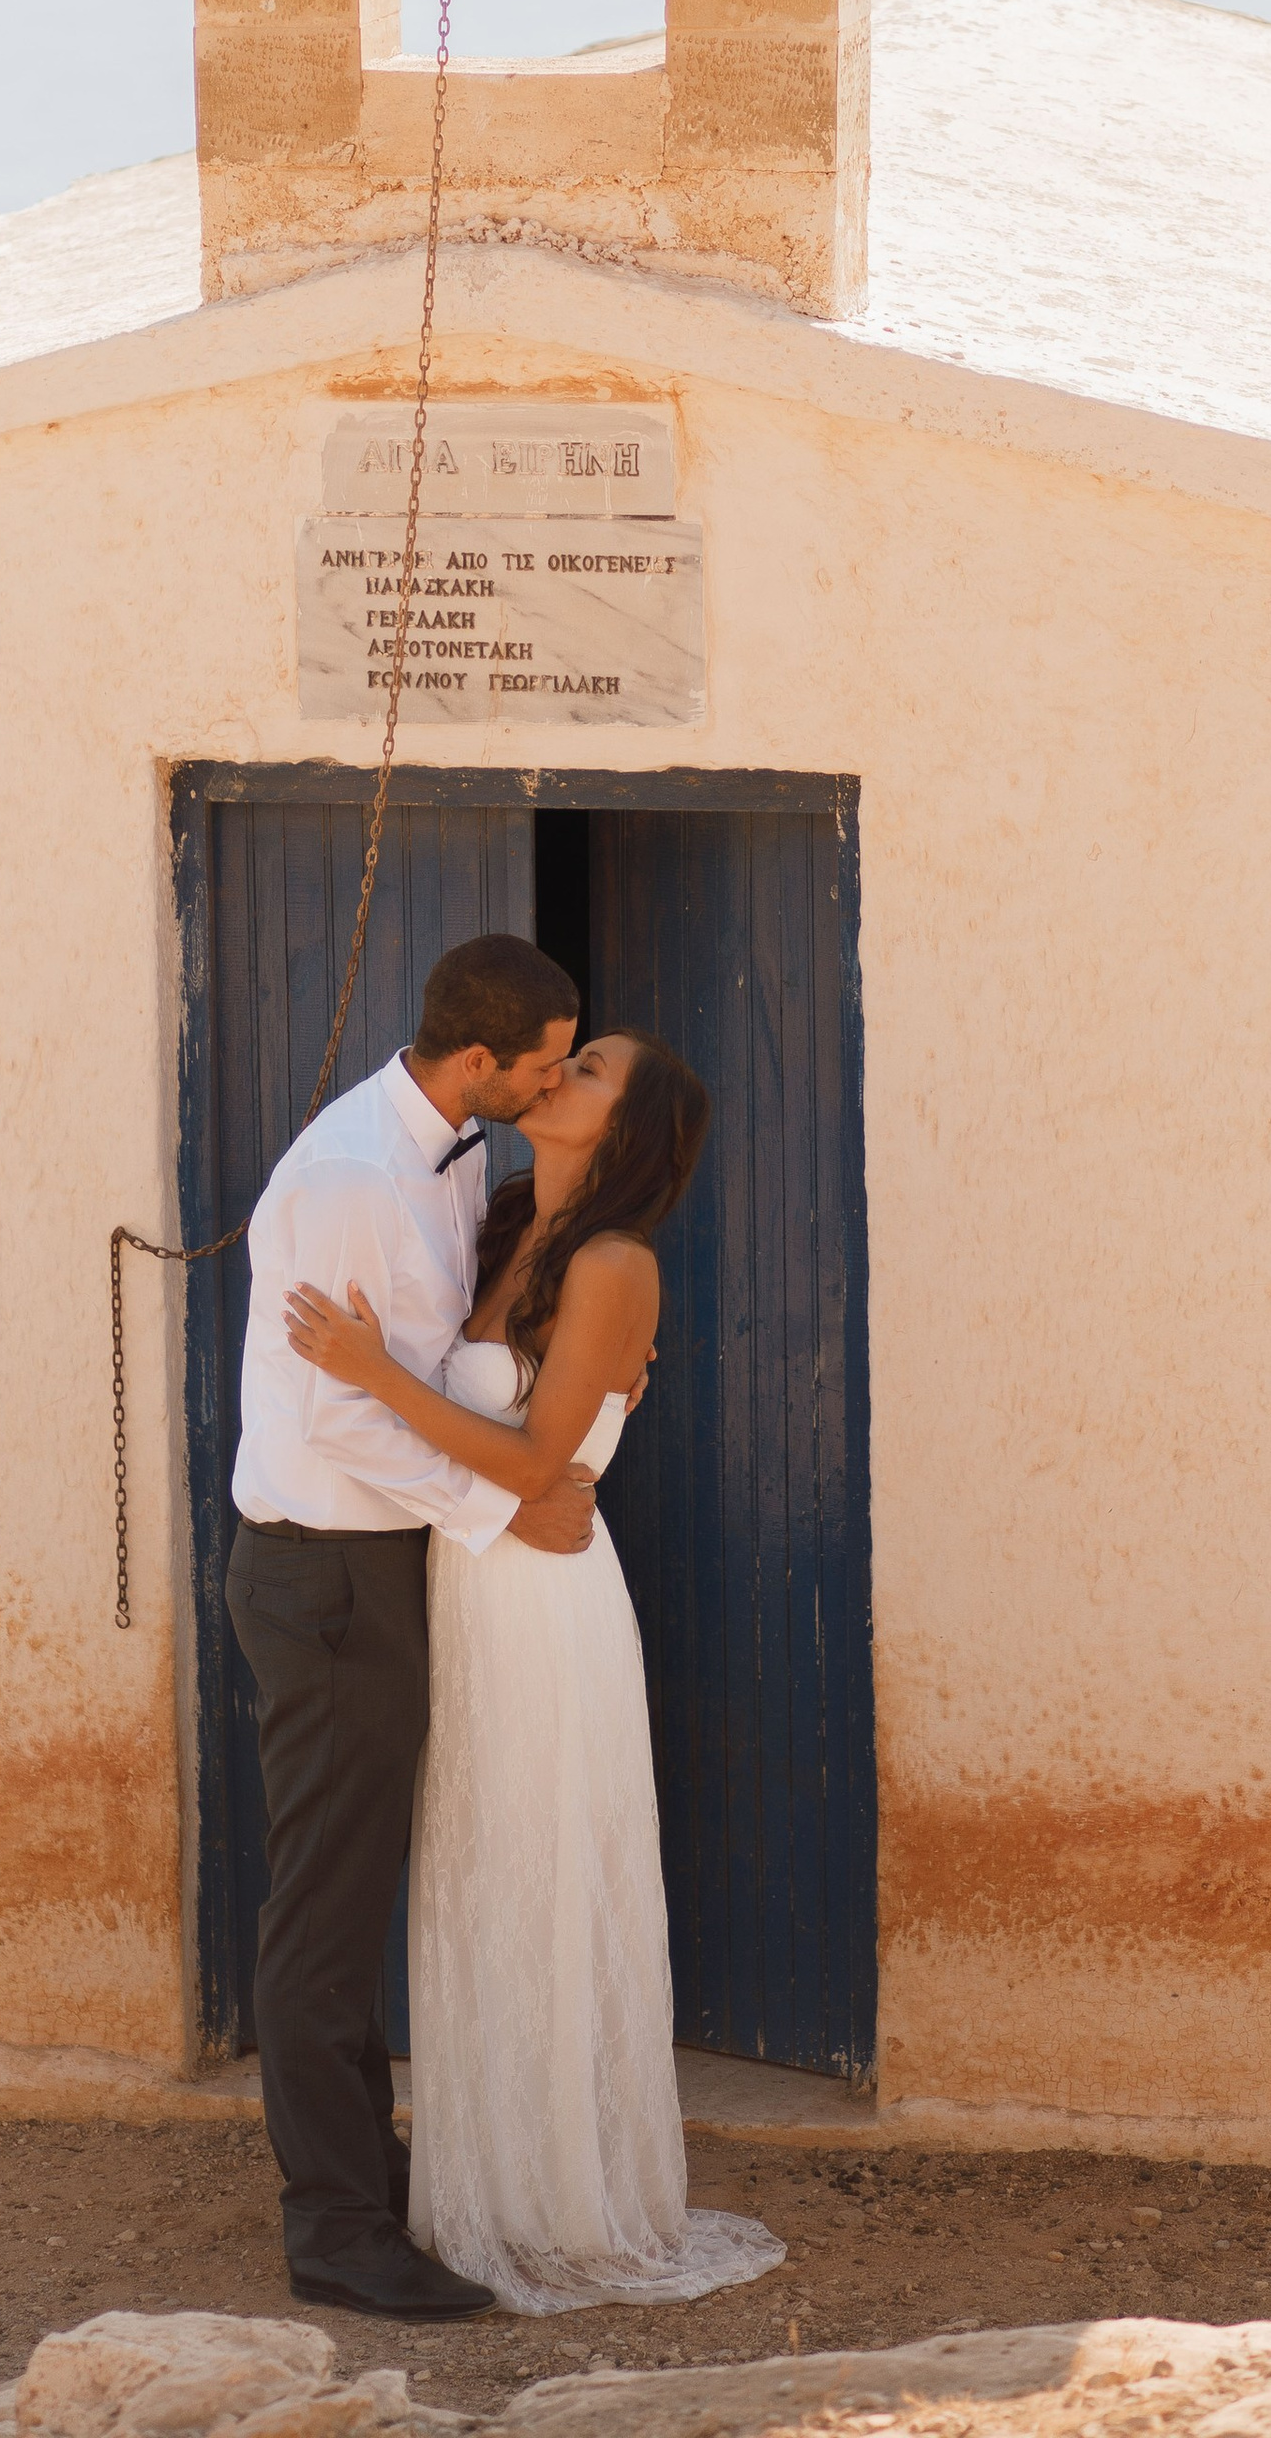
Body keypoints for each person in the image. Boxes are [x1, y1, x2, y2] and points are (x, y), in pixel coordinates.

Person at [284, 1030, 786, 2317]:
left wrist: (370, 1374)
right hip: (465, 1582)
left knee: (542, 1878)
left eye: (596, 1067)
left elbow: (531, 1465)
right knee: (474, 1879)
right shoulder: (501, 1222)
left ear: (627, 1130)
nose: (561, 1073)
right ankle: (482, 2187)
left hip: (541, 1599)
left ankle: (561, 2196)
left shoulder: (617, 1264)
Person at [225, 929, 595, 2321]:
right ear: (478, 1058)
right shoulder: (350, 1177)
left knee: (357, 1881)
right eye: (543, 1068)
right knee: (324, 1908)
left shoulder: (456, 1151)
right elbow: (344, 1420)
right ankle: (335, 2232)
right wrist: (502, 1509)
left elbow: (426, 1372)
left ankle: (363, 2188)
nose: (552, 1088)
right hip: (324, 1568)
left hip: (376, 1567)